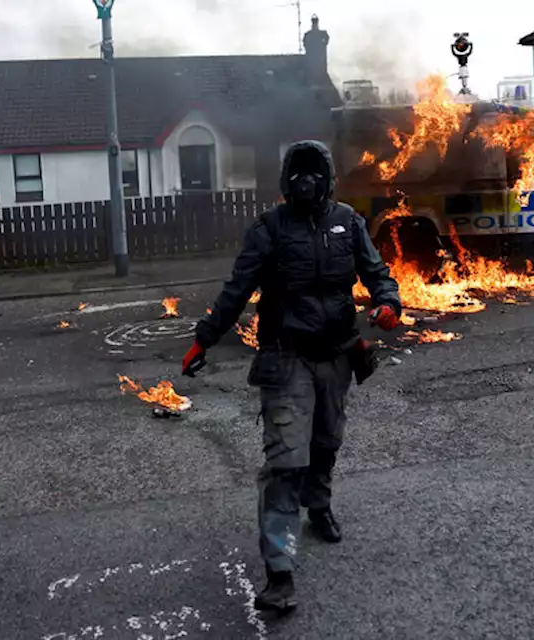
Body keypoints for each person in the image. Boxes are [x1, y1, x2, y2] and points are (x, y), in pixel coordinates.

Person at [181, 140, 403, 613]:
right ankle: (279, 573)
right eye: (299, 174)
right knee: (285, 462)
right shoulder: (268, 230)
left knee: (326, 442)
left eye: (314, 173)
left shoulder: (348, 221)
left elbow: (377, 272)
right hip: (286, 358)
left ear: (326, 178)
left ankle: (318, 506)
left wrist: (388, 302)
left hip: (338, 355)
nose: (307, 182)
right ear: (287, 181)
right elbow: (236, 290)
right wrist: (204, 337)